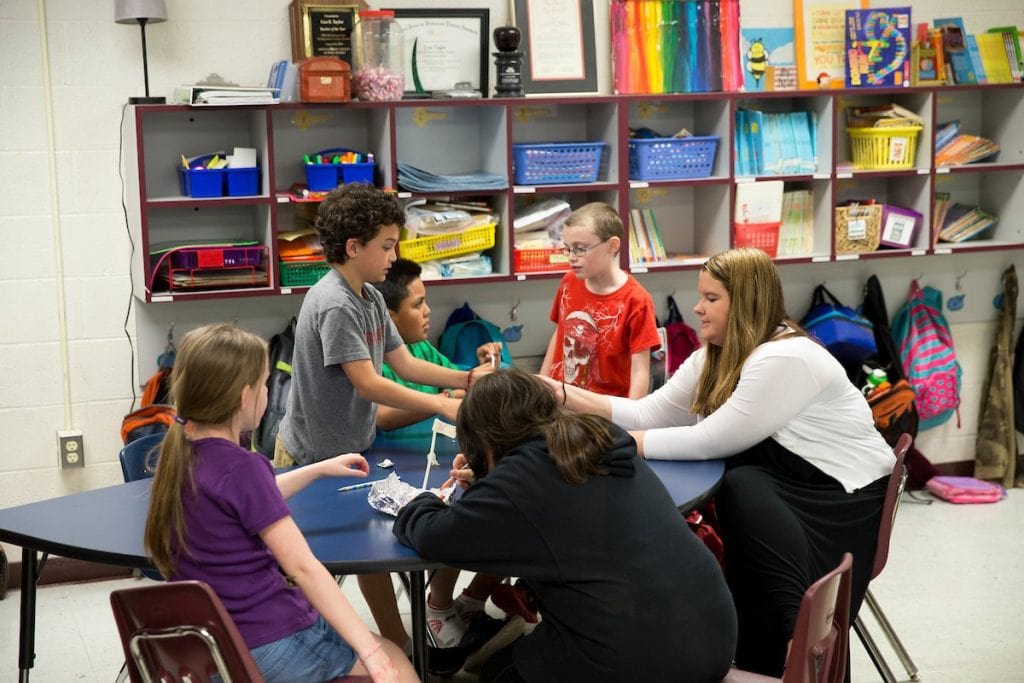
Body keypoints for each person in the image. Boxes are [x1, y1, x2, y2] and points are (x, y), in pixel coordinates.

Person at [547, 247, 895, 676]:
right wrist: (559, 394)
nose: (697, 308)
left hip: (843, 497)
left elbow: (710, 439)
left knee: (742, 487)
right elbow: (648, 414)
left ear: (746, 302)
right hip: (795, 484)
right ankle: (774, 649)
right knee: (743, 489)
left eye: (711, 298)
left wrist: (607, 445)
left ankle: (796, 647)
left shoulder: (784, 357)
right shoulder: (718, 351)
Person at [394, 368, 738, 682]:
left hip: (641, 661)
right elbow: (548, 497)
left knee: (500, 674)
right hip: (716, 636)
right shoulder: (600, 438)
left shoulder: (519, 481)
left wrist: (422, 501)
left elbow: (434, 536)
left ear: (484, 441)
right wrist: (489, 478)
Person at [143, 323, 417, 683]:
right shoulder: (244, 467)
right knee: (394, 657)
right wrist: (369, 650)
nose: (269, 392)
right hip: (267, 644)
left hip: (205, 645)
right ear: (245, 397)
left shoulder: (181, 457)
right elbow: (304, 568)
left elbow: (246, 497)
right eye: (265, 384)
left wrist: (316, 470)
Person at [370, 258, 521, 667]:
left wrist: (485, 364)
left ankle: (465, 604)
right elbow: (381, 414)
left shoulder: (420, 348)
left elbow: (456, 378)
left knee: (508, 511)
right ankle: (439, 610)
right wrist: (443, 400)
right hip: (400, 474)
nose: (428, 312)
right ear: (389, 314)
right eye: (418, 304)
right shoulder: (375, 357)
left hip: (440, 464)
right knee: (459, 513)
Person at [274, 183, 488, 469]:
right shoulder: (336, 303)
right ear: (353, 247)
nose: (394, 257)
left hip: (350, 448)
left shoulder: (371, 296)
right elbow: (368, 385)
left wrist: (467, 379)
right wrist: (440, 403)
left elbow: (406, 365)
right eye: (386, 246)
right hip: (310, 457)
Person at [540, 202, 661, 399]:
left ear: (612, 245)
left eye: (580, 249)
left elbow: (640, 370)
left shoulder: (637, 301)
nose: (571, 257)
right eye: (567, 249)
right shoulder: (569, 282)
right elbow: (559, 334)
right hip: (561, 401)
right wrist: (542, 384)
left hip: (604, 411)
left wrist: (631, 421)